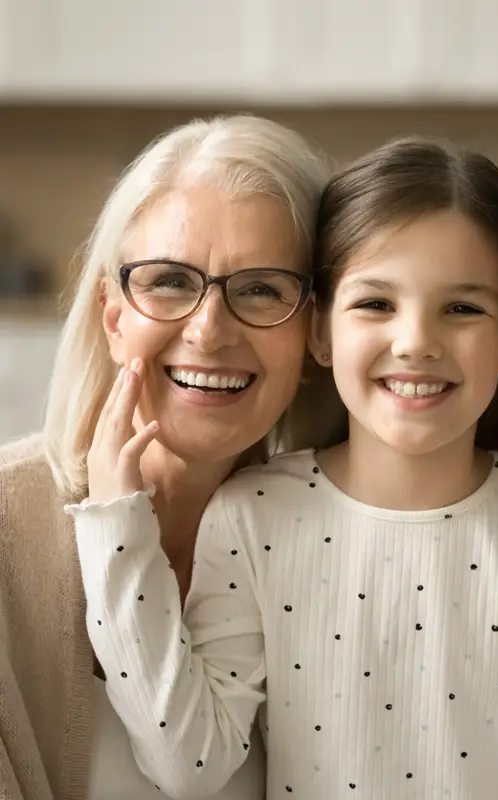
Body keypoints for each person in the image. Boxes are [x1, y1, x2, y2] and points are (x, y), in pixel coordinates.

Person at [70, 137, 498, 800]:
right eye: (376, 304)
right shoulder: (252, 517)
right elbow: (188, 765)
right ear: (320, 332)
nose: (417, 341)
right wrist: (116, 530)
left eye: (462, 308)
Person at [0, 114, 339, 800]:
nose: (209, 330)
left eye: (261, 289)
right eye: (169, 282)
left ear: (314, 334)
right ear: (113, 314)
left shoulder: (329, 537)